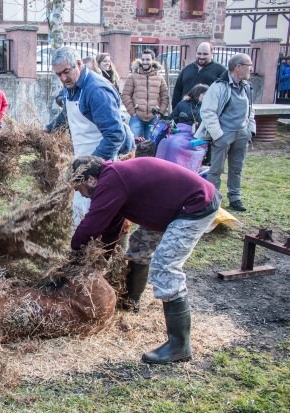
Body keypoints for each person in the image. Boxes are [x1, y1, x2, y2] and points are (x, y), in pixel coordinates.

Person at [70, 155, 220, 364]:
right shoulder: (114, 179)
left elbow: (92, 224)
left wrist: (74, 252)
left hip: (195, 206)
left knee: (165, 266)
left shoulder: (111, 180)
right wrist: (100, 258)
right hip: (174, 209)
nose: (83, 196)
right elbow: (111, 227)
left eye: (80, 189)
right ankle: (130, 303)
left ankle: (179, 346)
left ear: (90, 180)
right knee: (139, 248)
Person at [46, 46, 134, 224]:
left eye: (66, 72)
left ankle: (108, 249)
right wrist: (48, 129)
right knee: (82, 208)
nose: (63, 78)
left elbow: (115, 135)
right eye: (58, 74)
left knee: (105, 213)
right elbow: (67, 114)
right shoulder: (71, 87)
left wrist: (91, 168)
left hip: (106, 158)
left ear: (78, 64)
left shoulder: (96, 90)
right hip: (84, 157)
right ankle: (82, 243)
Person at [194, 53, 256, 212]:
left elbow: (250, 110)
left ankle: (235, 198)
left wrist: (250, 130)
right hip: (223, 134)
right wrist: (218, 135)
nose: (251, 68)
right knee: (216, 170)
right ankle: (212, 199)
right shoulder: (219, 86)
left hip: (241, 134)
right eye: (248, 65)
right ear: (238, 67)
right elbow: (207, 111)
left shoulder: (247, 86)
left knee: (237, 168)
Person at [121, 49, 169, 141]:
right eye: (143, 59)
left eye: (147, 60)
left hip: (153, 117)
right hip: (137, 117)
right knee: (134, 145)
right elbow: (125, 95)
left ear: (153, 60)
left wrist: (160, 113)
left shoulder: (160, 78)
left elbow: (165, 97)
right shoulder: (133, 77)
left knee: (152, 144)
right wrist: (132, 112)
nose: (145, 62)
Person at [172, 42, 226, 109]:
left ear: (212, 54)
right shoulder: (186, 69)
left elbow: (225, 94)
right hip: (185, 113)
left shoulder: (221, 70)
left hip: (208, 112)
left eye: (205, 54)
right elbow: (177, 91)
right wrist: (176, 110)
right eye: (199, 53)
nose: (201, 56)